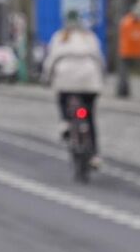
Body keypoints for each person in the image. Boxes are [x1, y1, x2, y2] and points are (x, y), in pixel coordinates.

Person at [43, 12, 106, 161]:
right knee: (90, 117)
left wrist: (46, 78)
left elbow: (51, 61)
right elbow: (100, 59)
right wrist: (103, 77)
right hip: (89, 81)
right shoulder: (89, 37)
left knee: (62, 98)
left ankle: (65, 122)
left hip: (66, 80)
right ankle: (94, 155)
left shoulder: (59, 37)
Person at [117, 9, 140, 77]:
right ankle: (123, 84)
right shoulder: (129, 23)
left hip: (129, 50)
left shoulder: (128, 22)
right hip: (127, 50)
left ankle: (124, 83)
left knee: (125, 68)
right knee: (125, 68)